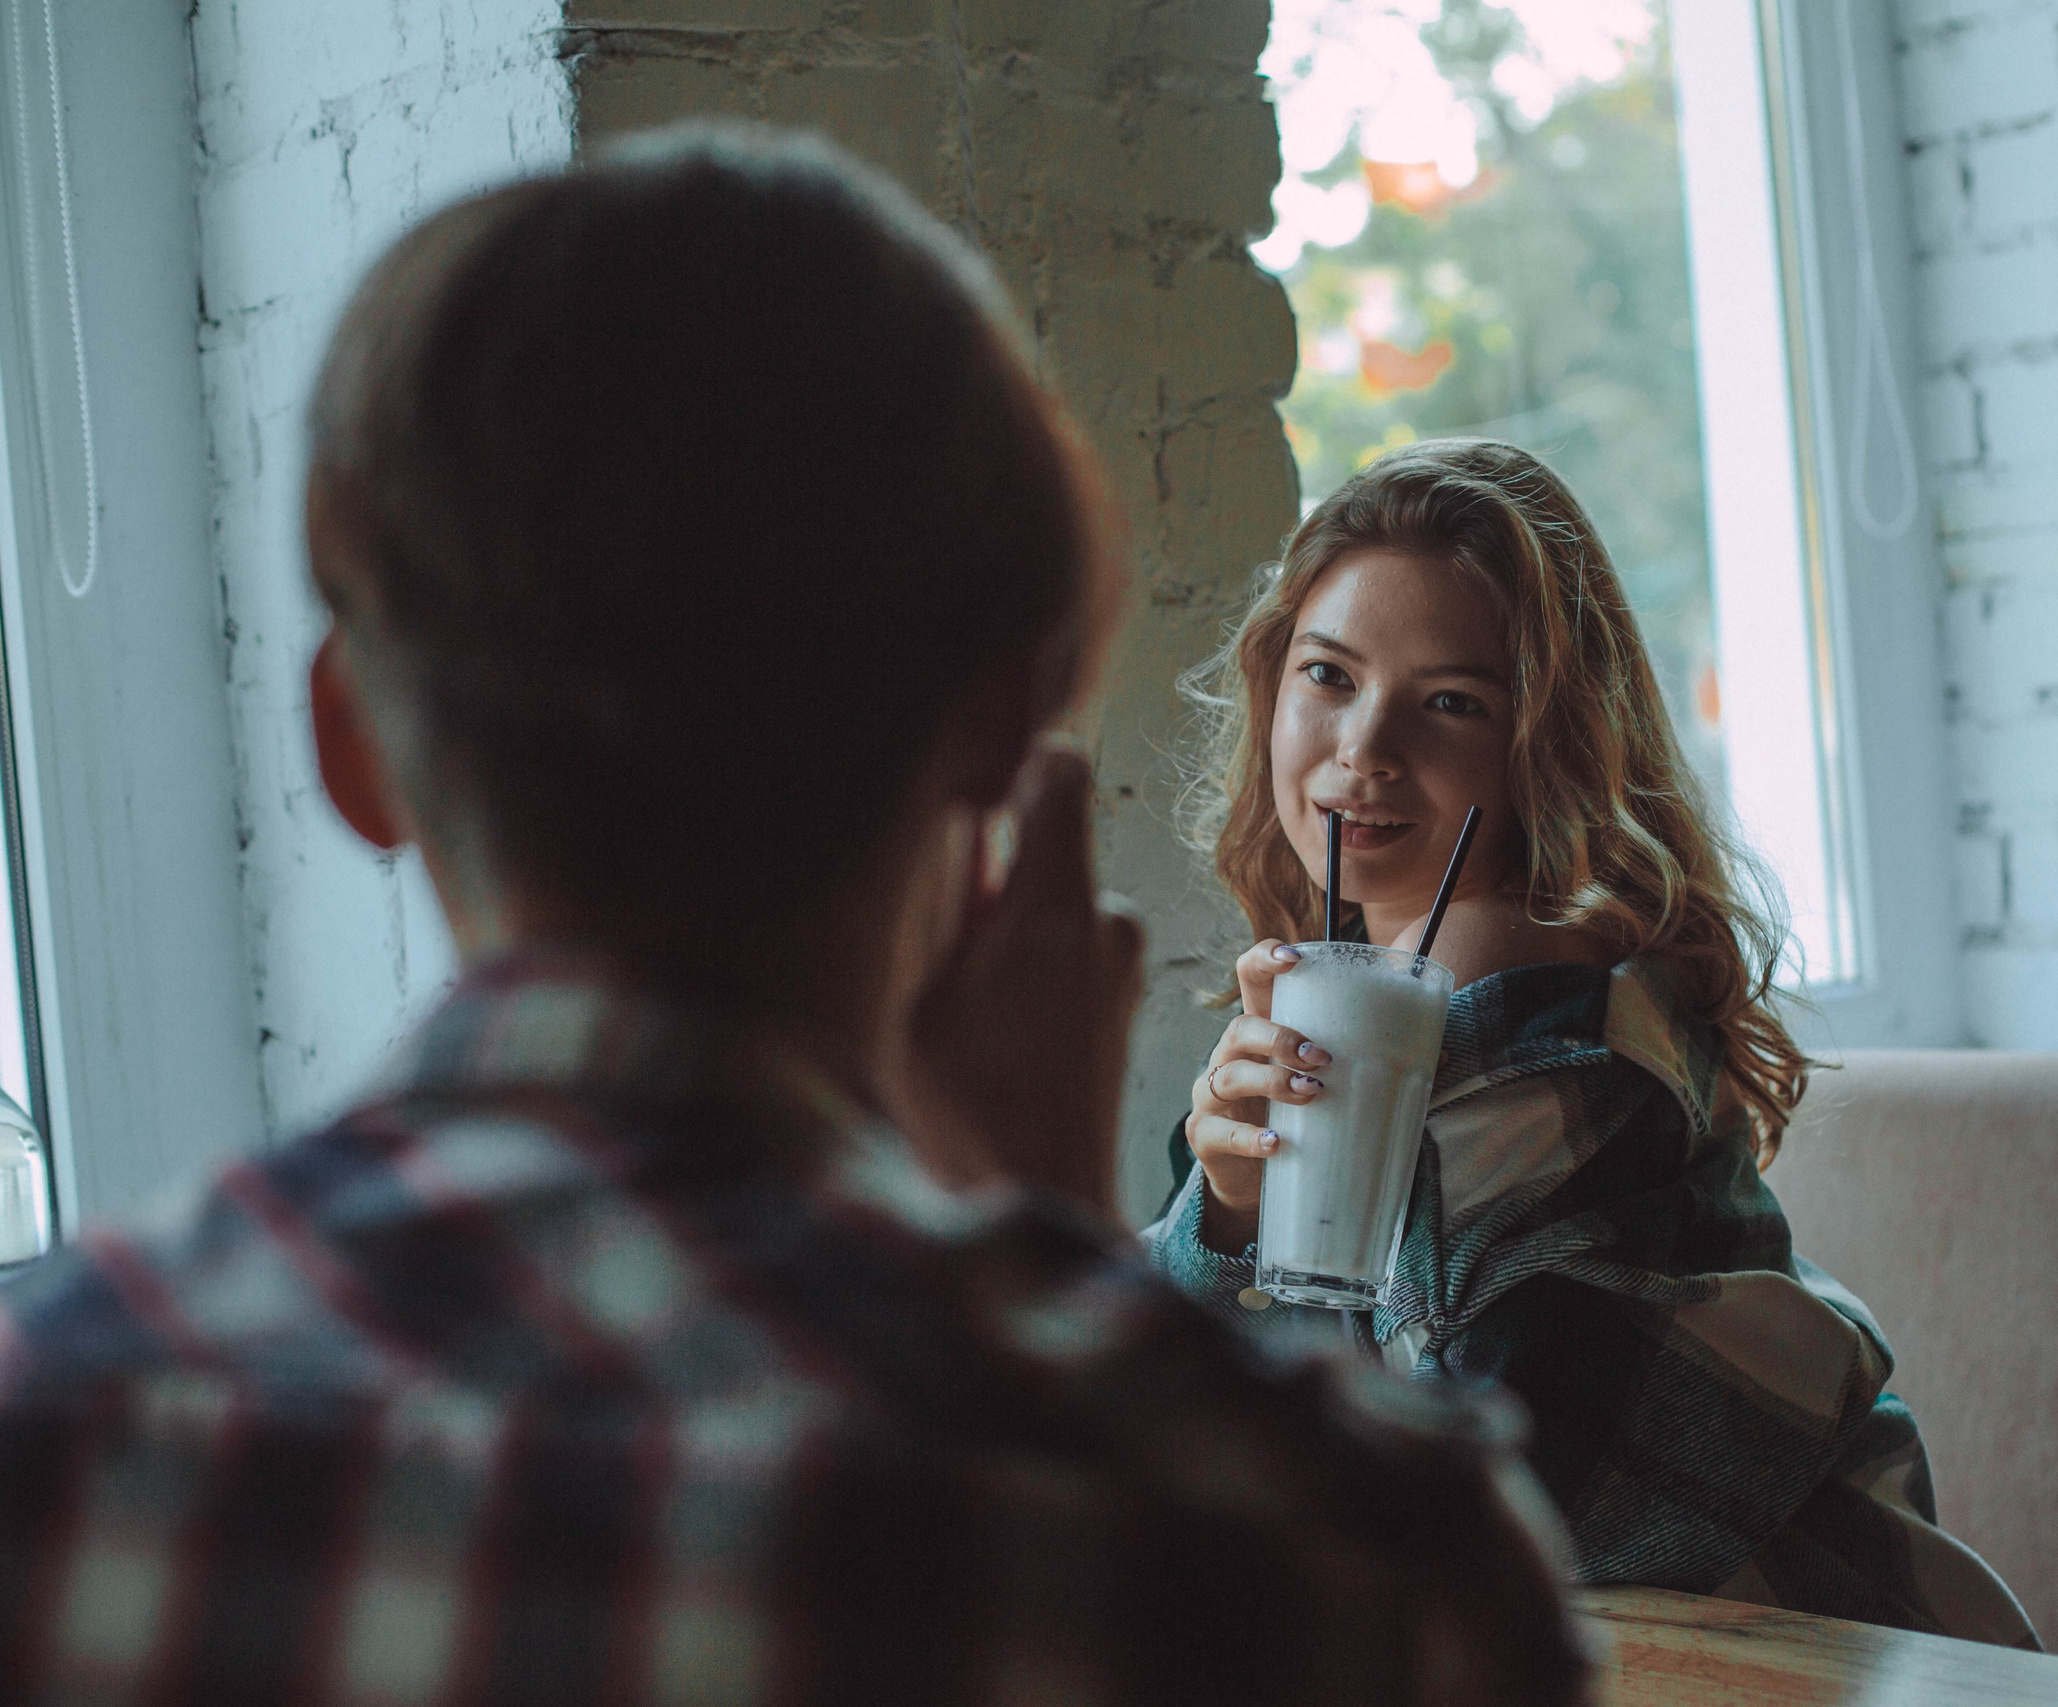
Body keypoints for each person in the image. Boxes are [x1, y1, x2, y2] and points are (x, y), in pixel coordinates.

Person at [0, 131, 1590, 1706]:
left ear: (349, 749)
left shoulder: (56, 1427)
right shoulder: (1362, 1552)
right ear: (1003, 733)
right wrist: (1038, 1237)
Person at [1150, 438, 2038, 1647]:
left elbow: (1479, 1502)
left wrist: (1221, 1260)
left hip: (1812, 1647)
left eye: (1450, 702)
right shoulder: (1358, 974)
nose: (1363, 746)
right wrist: (1227, 1213)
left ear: (1541, 741)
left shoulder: (1515, 975)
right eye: (1329, 674)